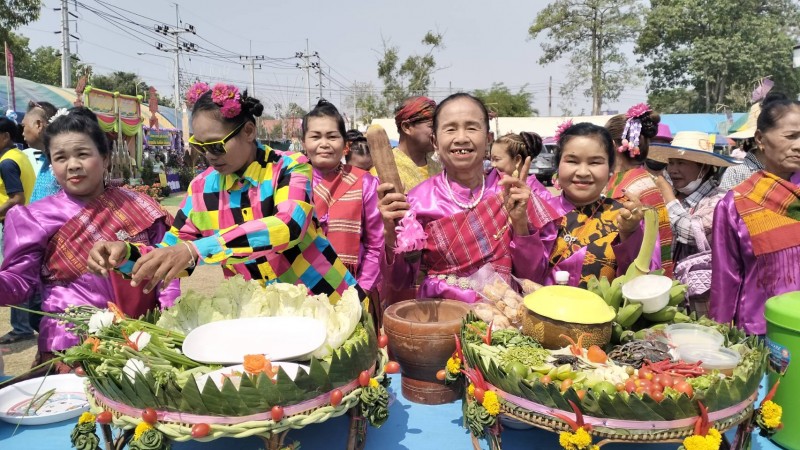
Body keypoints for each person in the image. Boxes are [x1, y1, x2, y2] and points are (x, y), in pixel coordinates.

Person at [87, 82, 359, 303]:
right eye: (199, 146)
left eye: (216, 146)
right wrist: (126, 254)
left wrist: (197, 249)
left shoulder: (290, 167)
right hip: (268, 317)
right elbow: (173, 253)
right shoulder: (201, 189)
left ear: (249, 131)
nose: (208, 156)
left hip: (330, 303)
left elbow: (288, 227)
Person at [0, 107, 179, 373]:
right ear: (51, 164)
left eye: (83, 154)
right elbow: (19, 284)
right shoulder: (32, 218)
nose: (73, 164)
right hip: (73, 348)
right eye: (60, 157)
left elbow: (167, 268)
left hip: (144, 339)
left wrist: (170, 321)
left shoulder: (139, 205)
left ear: (105, 158)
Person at [378, 93, 559, 303]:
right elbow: (400, 284)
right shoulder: (417, 202)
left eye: (472, 127)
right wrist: (390, 233)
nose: (461, 138)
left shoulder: (514, 192)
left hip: (504, 321)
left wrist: (520, 225)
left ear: (488, 139)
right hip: (443, 318)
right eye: (450, 128)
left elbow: (533, 278)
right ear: (435, 141)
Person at [710, 92, 800, 335]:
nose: (799, 145)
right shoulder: (736, 204)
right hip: (763, 332)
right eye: (791, 136)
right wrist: (720, 339)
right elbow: (725, 279)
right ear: (760, 138)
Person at [545, 123, 653, 287]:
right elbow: (523, 275)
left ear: (610, 167)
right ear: (558, 164)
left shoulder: (625, 217)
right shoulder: (540, 214)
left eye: (595, 162)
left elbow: (641, 285)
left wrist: (630, 234)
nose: (582, 172)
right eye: (572, 161)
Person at [304, 101, 383, 296]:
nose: (324, 144)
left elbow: (376, 244)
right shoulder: (290, 181)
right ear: (304, 142)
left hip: (352, 288)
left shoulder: (365, 182)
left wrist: (361, 290)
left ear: (345, 144)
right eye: (315, 137)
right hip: (300, 289)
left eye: (332, 136)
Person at [0, 101, 58, 345]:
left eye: (25, 126)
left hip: (44, 246)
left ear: (39, 124)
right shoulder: (40, 161)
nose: (22, 131)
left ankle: (25, 327)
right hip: (37, 243)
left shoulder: (56, 166)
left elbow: (18, 198)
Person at [604, 104, 674, 276]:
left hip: (637, 278)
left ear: (612, 146)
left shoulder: (639, 185)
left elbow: (654, 247)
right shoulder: (625, 180)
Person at [649, 131, 734, 264]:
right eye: (671, 163)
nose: (673, 170)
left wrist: (668, 196)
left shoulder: (719, 200)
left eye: (681, 163)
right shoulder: (669, 196)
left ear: (704, 168)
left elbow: (693, 233)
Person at [392, 96, 442, 192]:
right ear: (406, 127)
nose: (438, 132)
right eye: (432, 127)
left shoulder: (439, 165)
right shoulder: (386, 169)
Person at [490, 132, 552, 202]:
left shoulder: (538, 192)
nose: (493, 164)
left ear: (517, 160)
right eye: (491, 159)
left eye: (497, 159)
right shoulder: (488, 181)